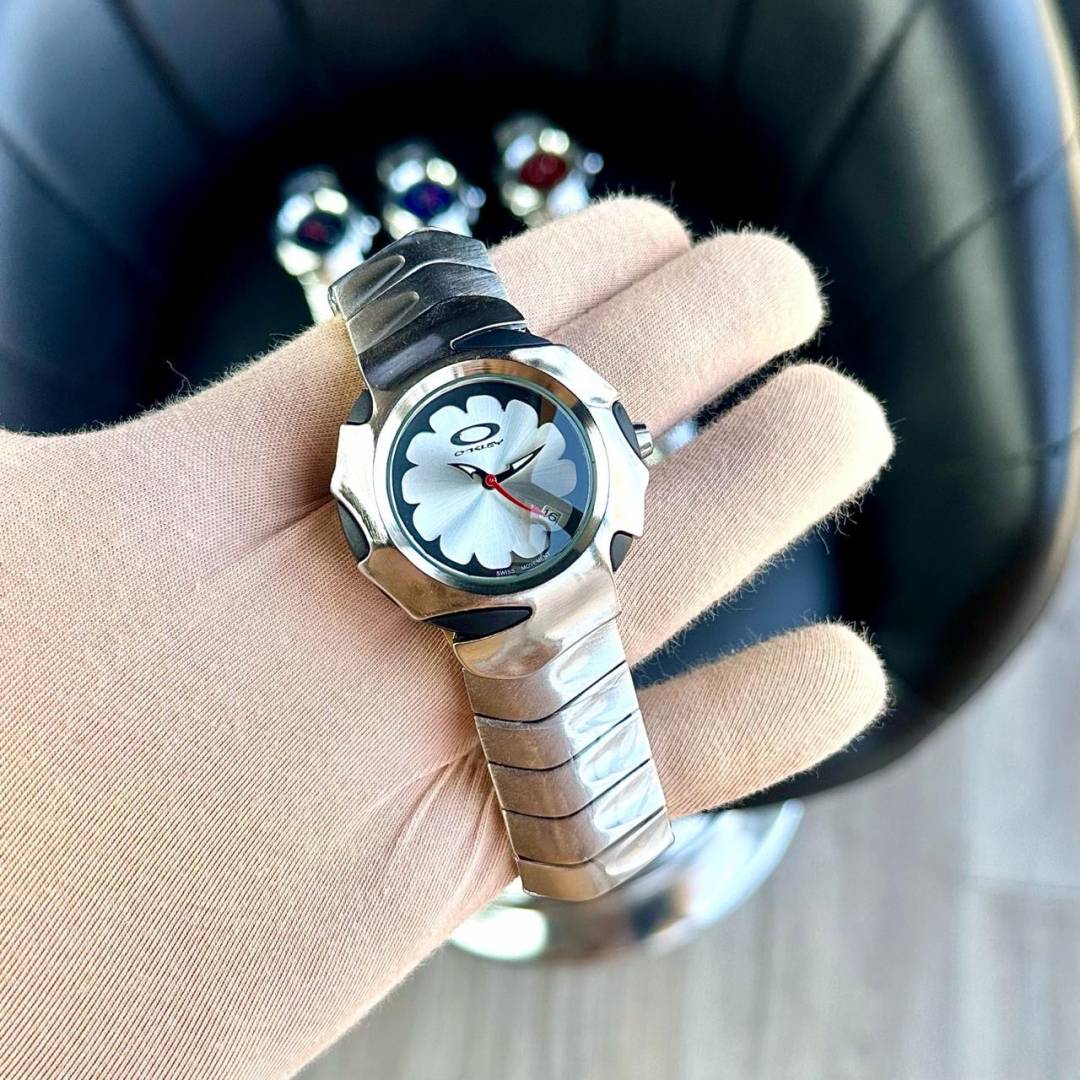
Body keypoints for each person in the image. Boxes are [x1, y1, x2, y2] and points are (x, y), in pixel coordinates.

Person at [0, 198, 893, 1077]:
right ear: (370, 517)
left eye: (506, 469)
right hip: (499, 605)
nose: (495, 480)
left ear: (616, 443)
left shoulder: (553, 452)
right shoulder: (397, 512)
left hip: (554, 575)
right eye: (479, 477)